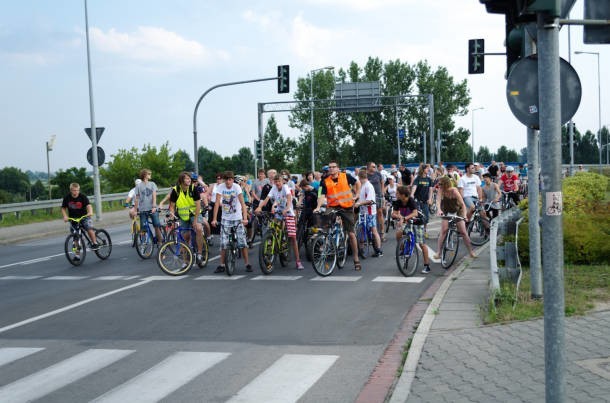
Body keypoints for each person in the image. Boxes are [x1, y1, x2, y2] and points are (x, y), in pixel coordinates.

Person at [314, 160, 362, 270]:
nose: (331, 169)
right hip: (333, 206)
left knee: (351, 233)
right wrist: (318, 207)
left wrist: (357, 195)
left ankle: (356, 258)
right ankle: (325, 241)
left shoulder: (346, 176)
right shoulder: (324, 181)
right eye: (329, 167)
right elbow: (321, 196)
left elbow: (357, 183)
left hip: (346, 206)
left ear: (337, 168)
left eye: (333, 167)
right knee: (324, 224)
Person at [256, 174, 304, 270]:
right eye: (276, 181)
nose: (277, 183)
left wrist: (287, 208)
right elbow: (266, 200)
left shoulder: (286, 188)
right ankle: (274, 243)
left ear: (282, 182)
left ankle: (298, 261)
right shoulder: (273, 188)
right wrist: (259, 207)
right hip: (278, 212)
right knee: (272, 227)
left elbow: (289, 199)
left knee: (293, 237)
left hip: (288, 212)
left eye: (279, 181)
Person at [211, 171, 252, 273]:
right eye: (226, 180)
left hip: (237, 218)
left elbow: (242, 203)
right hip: (225, 219)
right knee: (223, 243)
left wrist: (245, 218)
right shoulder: (221, 187)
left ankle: (247, 264)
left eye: (230, 180)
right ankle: (222, 264)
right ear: (224, 180)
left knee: (242, 242)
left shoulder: (236, 187)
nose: (228, 182)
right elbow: (216, 204)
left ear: (233, 180)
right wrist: (214, 219)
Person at [168, 171, 206, 265]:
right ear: (181, 180)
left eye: (190, 178)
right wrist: (171, 216)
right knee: (184, 237)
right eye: (187, 178)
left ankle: (200, 254)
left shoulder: (194, 189)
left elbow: (198, 206)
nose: (189, 180)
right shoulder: (175, 190)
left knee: (198, 228)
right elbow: (172, 206)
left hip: (194, 214)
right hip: (183, 216)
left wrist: (196, 220)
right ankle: (185, 261)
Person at [434, 176, 476, 260]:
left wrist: (464, 216)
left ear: (445, 184)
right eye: (438, 184)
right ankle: (438, 252)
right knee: (444, 230)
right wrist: (439, 210)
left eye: (440, 184)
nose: (439, 185)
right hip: (446, 210)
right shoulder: (441, 190)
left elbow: (463, 205)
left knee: (463, 232)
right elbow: (438, 201)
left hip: (458, 210)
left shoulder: (454, 191)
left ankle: (471, 251)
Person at [392, 185, 431, 273]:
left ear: (403, 195)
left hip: (418, 221)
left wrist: (404, 218)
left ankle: (427, 265)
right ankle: (401, 249)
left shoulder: (411, 201)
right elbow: (393, 214)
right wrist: (400, 217)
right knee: (398, 233)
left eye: (397, 193)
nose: (396, 194)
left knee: (421, 243)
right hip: (408, 221)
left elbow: (415, 213)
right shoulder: (398, 201)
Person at [61, 182, 98, 251]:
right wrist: (65, 216)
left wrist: (90, 212)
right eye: (74, 190)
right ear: (71, 190)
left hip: (84, 217)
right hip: (73, 218)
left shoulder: (83, 196)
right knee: (75, 236)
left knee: (88, 227)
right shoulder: (67, 198)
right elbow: (63, 208)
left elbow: (88, 206)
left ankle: (94, 243)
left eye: (77, 190)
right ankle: (77, 256)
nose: (76, 192)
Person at [355, 170, 383, 257]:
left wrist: (359, 203)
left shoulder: (368, 186)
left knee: (373, 230)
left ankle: (378, 250)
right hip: (363, 211)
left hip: (370, 211)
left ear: (360, 178)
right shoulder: (362, 185)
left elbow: (370, 200)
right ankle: (362, 248)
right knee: (362, 229)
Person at [134, 168, 163, 246]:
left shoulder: (152, 184)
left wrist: (154, 206)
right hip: (143, 209)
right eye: (149, 174)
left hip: (152, 208)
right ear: (144, 175)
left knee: (156, 225)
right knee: (143, 227)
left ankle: (160, 241)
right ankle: (144, 242)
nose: (150, 175)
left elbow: (154, 196)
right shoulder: (138, 186)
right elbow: (137, 198)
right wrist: (135, 210)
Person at [411, 164, 434, 237]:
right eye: (427, 169)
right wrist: (412, 194)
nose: (428, 170)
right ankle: (415, 231)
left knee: (426, 217)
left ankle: (424, 231)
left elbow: (430, 190)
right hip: (417, 200)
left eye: (428, 169)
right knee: (417, 216)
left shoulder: (429, 179)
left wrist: (430, 199)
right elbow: (414, 187)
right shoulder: (418, 178)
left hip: (425, 201)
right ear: (423, 170)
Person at [367, 162, 386, 238]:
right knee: (370, 214)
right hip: (369, 197)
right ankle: (371, 232)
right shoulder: (365, 175)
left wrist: (382, 192)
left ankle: (382, 232)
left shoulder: (378, 174)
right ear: (368, 167)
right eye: (373, 167)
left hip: (378, 195)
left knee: (380, 212)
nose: (375, 168)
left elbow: (382, 183)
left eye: (375, 166)